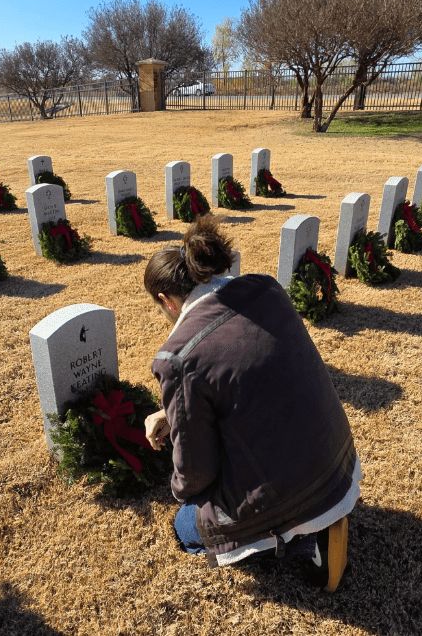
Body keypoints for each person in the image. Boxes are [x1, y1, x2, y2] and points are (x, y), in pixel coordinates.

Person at [142, 215, 362, 592]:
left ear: (167, 301)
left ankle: (309, 541)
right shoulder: (265, 288)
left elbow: (196, 475)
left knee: (185, 527)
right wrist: (173, 411)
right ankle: (318, 519)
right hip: (336, 457)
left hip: (288, 490)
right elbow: (250, 376)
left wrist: (180, 490)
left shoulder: (178, 358)